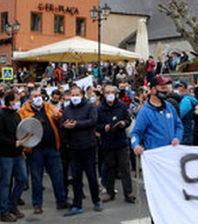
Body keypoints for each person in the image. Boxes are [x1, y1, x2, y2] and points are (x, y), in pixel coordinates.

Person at [19, 88, 69, 214]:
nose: (38, 98)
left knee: (58, 176)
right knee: (36, 178)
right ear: (30, 99)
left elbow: (59, 117)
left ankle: (61, 201)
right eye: (35, 96)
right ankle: (37, 204)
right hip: (36, 150)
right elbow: (21, 130)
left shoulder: (48, 107)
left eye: (39, 95)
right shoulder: (23, 112)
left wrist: (58, 117)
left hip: (52, 147)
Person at [61, 85, 103, 216]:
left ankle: (96, 200)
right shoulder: (67, 109)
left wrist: (77, 125)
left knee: (91, 175)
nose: (74, 98)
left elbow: (93, 121)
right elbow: (62, 123)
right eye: (72, 95)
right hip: (73, 147)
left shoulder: (90, 107)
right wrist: (65, 125)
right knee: (76, 177)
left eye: (77, 95)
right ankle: (77, 204)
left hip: (88, 146)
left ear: (82, 95)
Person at [0, 91, 28, 222]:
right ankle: (4, 211)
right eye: (17, 100)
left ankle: (12, 204)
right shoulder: (1, 116)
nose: (18, 102)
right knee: (5, 183)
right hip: (5, 154)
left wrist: (22, 145)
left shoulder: (16, 115)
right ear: (10, 101)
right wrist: (13, 143)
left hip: (17, 153)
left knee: (22, 179)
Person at [97, 85, 135, 203]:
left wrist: (124, 123)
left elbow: (128, 119)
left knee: (125, 168)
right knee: (110, 168)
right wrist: (104, 127)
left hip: (121, 141)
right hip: (107, 142)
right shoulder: (99, 108)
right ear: (103, 94)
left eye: (112, 92)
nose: (110, 94)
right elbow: (96, 125)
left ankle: (128, 193)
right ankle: (110, 192)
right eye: (107, 92)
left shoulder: (121, 106)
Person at [131, 75, 183, 154]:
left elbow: (179, 126)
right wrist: (136, 145)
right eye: (162, 88)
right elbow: (136, 133)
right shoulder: (145, 112)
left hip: (171, 153)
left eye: (166, 87)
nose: (165, 90)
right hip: (155, 156)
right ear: (153, 90)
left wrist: (177, 138)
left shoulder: (170, 107)